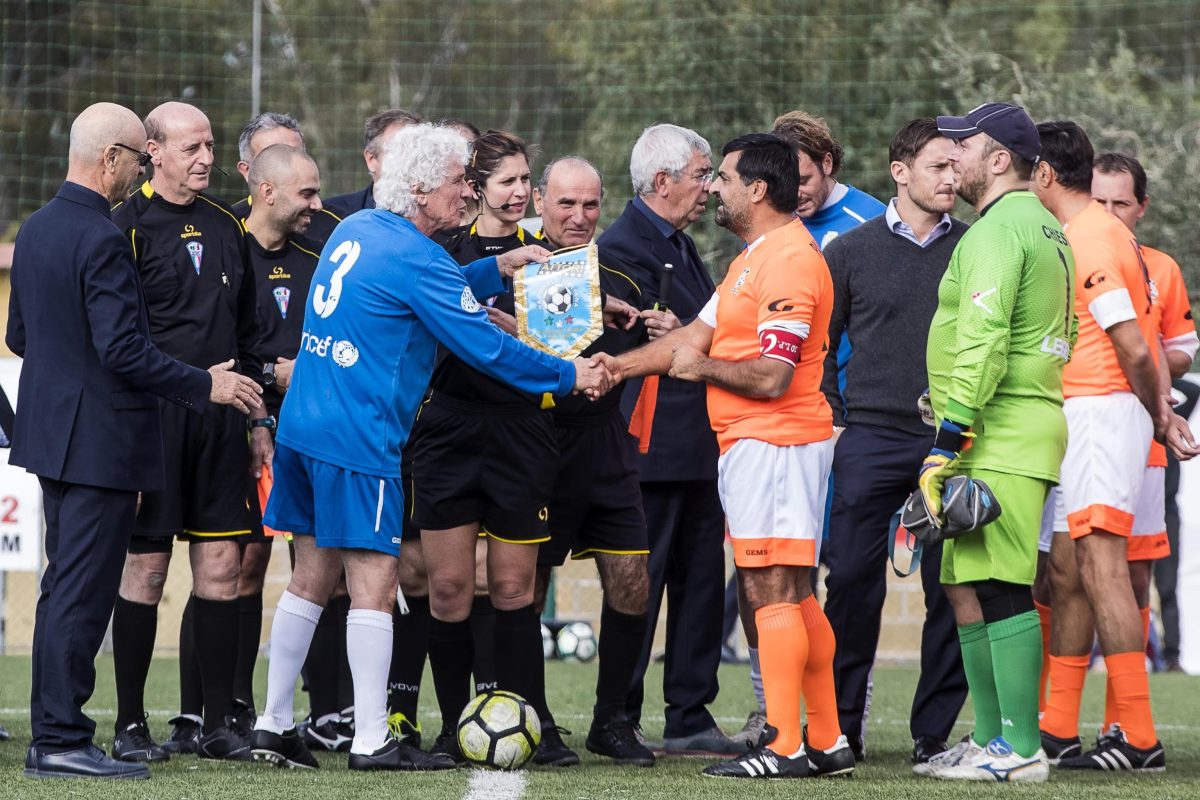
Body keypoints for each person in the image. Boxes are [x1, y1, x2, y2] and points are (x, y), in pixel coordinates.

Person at [248, 122, 611, 771]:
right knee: (374, 581)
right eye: (457, 182)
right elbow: (486, 345)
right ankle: (369, 740)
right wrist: (569, 373)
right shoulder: (415, 258)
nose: (467, 194)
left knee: (311, 576)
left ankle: (272, 725)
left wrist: (494, 265)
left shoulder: (357, 230)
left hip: (305, 423)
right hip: (360, 435)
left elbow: (423, 283)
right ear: (418, 188)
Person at [8, 102, 261, 780]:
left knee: (63, 591)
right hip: (99, 444)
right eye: (136, 160)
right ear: (114, 158)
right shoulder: (101, 237)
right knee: (83, 596)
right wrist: (199, 385)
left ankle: (52, 734)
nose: (139, 172)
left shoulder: (35, 230)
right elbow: (122, 349)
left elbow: (21, 339)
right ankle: (61, 738)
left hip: (55, 440)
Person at [598, 133, 849, 779]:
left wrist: (701, 368)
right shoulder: (752, 258)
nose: (715, 189)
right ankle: (825, 739)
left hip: (778, 441)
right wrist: (613, 367)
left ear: (758, 190)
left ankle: (785, 744)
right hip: (757, 445)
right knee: (794, 593)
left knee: (773, 589)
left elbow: (770, 375)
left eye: (725, 178)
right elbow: (689, 336)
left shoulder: (789, 260)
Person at [912, 102, 1071, 784]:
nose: (954, 161)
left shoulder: (1000, 229)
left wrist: (948, 435)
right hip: (1002, 426)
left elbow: (985, 338)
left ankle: (1021, 748)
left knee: (1003, 588)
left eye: (963, 148)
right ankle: (988, 739)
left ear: (1000, 158)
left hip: (997, 432)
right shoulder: (1040, 223)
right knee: (971, 583)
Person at [108, 101, 271, 763]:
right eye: (191, 147)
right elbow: (116, 344)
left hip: (222, 422)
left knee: (222, 571)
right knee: (144, 573)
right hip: (152, 423)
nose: (205, 158)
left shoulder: (229, 226)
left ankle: (214, 725)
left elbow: (251, 332)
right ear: (153, 150)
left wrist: (258, 419)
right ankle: (128, 725)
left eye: (209, 145)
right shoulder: (125, 225)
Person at [409, 130, 578, 766]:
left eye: (525, 180)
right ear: (474, 188)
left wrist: (521, 337)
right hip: (449, 431)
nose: (519, 192)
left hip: (521, 431)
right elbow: (419, 320)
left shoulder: (547, 257)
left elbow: (566, 356)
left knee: (515, 592)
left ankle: (533, 722)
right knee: (449, 591)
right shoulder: (439, 252)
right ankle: (457, 729)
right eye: (506, 180)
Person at [1036, 132, 1197, 772]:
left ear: (1043, 173)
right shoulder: (1092, 233)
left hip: (1102, 411)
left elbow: (1133, 343)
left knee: (1105, 569)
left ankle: (1137, 734)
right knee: (1071, 571)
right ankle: (1056, 727)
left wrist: (1159, 412)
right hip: (1091, 410)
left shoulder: (1092, 235)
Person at [820, 118, 969, 765]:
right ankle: (841, 728)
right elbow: (821, 343)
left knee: (953, 587)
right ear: (900, 171)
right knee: (851, 581)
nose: (953, 178)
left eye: (958, 166)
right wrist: (832, 412)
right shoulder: (847, 251)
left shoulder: (976, 247)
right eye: (939, 166)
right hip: (870, 437)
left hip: (954, 441)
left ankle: (931, 735)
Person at [599, 124, 740, 757]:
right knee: (641, 580)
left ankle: (689, 710)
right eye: (702, 175)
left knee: (702, 580)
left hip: (698, 442)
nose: (711, 189)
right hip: (650, 444)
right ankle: (621, 712)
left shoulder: (680, 245)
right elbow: (620, 344)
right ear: (663, 182)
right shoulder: (621, 247)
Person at [528, 156, 654, 766]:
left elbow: (653, 349)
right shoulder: (514, 268)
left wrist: (663, 330)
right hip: (537, 447)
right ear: (538, 200)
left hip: (607, 448)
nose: (578, 217)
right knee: (524, 587)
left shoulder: (623, 280)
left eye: (589, 205)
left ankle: (614, 721)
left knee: (632, 580)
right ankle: (537, 719)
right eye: (565, 204)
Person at [231, 112, 344, 244]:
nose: (289, 162)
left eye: (296, 154)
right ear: (247, 171)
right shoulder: (226, 225)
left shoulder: (338, 227)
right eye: (273, 156)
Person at [325, 108, 422, 212]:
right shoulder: (333, 215)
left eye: (418, 152)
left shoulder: (438, 220)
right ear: (371, 159)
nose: (411, 161)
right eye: (400, 151)